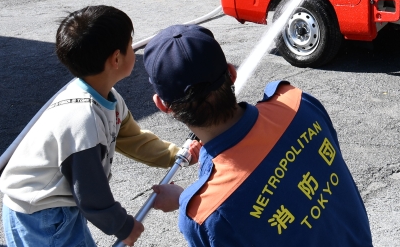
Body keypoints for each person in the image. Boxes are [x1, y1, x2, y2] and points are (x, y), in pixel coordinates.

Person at [144, 25, 373, 247]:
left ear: (163, 106)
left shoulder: (203, 214)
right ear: (232, 74)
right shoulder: (296, 102)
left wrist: (185, 199)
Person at [0, 6, 199, 247]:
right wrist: (122, 226)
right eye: (131, 45)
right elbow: (90, 192)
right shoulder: (83, 119)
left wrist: (177, 154)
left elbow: (134, 140)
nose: (135, 50)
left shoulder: (107, 98)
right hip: (41, 215)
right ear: (116, 59)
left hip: (57, 205)